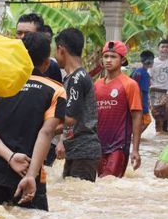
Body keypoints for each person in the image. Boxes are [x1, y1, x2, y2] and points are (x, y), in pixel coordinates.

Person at [0, 32, 65, 211]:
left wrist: (10, 157)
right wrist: (31, 176)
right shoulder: (55, 90)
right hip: (29, 174)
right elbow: (46, 132)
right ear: (47, 62)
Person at [54, 28, 101, 182]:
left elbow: (70, 118)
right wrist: (61, 140)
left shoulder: (76, 79)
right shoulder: (72, 77)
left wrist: (45, 129)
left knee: (79, 198)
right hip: (75, 148)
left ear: (61, 50)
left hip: (84, 149)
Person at [94, 40, 142, 178]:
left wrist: (135, 150)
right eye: (106, 56)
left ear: (123, 60)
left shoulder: (130, 84)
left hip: (119, 146)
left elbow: (137, 117)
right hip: (98, 145)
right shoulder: (96, 84)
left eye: (113, 57)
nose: (109, 60)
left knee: (109, 182)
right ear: (101, 59)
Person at [15, 13, 63, 84]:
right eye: (19, 33)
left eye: (27, 33)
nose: (22, 37)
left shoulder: (51, 67)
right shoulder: (7, 61)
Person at [131, 50, 154, 135]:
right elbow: (141, 90)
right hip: (140, 102)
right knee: (147, 121)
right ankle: (135, 137)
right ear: (150, 61)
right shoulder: (144, 74)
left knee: (135, 121)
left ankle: (132, 136)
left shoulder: (136, 71)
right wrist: (142, 105)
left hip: (132, 101)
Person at [149, 39, 168, 133]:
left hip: (167, 91)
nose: (165, 49)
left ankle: (164, 135)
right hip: (155, 91)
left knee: (166, 114)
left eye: (167, 47)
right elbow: (149, 76)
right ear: (158, 49)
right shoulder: (153, 62)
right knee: (157, 115)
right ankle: (159, 134)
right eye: (162, 47)